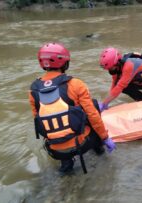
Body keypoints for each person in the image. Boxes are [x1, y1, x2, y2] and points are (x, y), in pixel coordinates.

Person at [29, 42, 116, 174]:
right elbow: (93, 116)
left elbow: (39, 120)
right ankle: (99, 151)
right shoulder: (75, 84)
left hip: (54, 150)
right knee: (92, 105)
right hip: (80, 145)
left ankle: (66, 164)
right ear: (65, 63)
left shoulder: (33, 90)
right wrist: (105, 137)